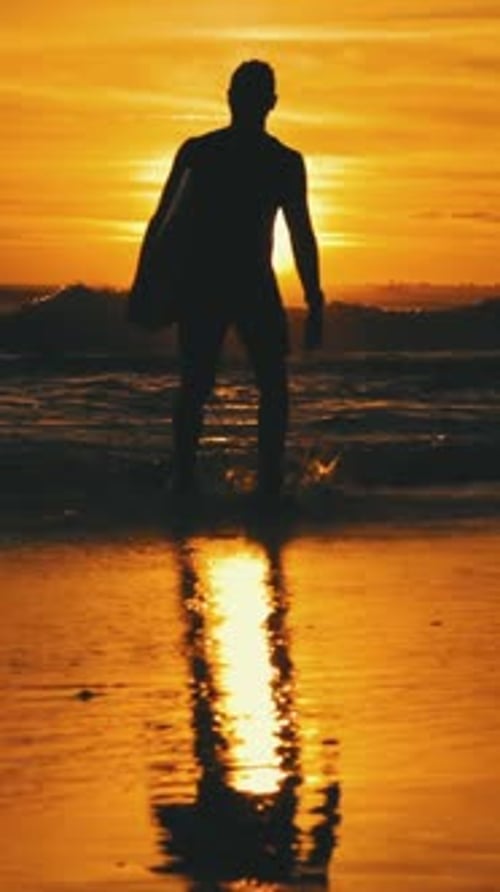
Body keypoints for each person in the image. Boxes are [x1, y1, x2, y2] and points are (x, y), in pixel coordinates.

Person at [142, 60, 324, 498]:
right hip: (244, 283)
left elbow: (160, 222)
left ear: (231, 97)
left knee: (200, 384)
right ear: (271, 103)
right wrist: (314, 300)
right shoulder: (280, 161)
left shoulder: (203, 151)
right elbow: (300, 232)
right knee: (265, 386)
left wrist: (148, 284)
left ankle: (189, 481)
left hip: (210, 281)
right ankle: (266, 484)